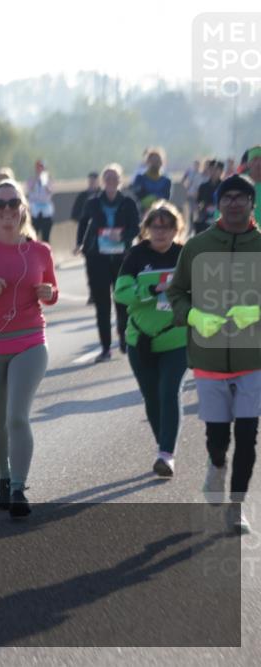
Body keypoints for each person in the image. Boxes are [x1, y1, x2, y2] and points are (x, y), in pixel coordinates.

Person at [167, 174, 260, 534]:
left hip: (254, 359)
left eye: (242, 197)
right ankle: (216, 465)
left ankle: (236, 507)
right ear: (218, 203)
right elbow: (176, 293)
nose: (234, 202)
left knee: (249, 436)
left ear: (252, 203)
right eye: (228, 197)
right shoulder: (197, 246)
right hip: (208, 359)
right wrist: (192, 316)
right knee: (218, 438)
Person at [0, 179, 58, 517]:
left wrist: (49, 293)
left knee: (17, 416)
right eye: (0, 205)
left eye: (13, 204)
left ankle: (19, 487)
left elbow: (52, 290)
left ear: (23, 209)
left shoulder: (40, 251)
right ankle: (3, 476)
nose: (7, 211)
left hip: (30, 341)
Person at [113, 201, 188, 477]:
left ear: (176, 230)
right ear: (146, 229)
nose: (161, 232)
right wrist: (151, 289)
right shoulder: (136, 255)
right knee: (152, 397)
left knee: (169, 392)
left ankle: (166, 454)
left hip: (177, 339)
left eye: (167, 227)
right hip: (141, 340)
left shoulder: (185, 255)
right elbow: (121, 292)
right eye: (155, 226)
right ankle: (162, 445)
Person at [77, 163, 141, 362]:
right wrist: (80, 243)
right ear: (103, 181)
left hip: (122, 258)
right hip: (97, 258)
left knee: (122, 301)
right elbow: (83, 223)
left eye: (115, 178)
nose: (111, 182)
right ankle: (105, 348)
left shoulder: (128, 203)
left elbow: (136, 228)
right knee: (102, 305)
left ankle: (123, 336)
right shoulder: (93, 202)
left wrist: (122, 236)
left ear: (120, 181)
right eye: (108, 179)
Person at [72, 171, 101, 305]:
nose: (92, 183)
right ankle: (93, 294)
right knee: (91, 268)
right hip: (88, 238)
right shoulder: (83, 196)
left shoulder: (104, 195)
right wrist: (79, 243)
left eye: (94, 181)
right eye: (90, 181)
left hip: (103, 239)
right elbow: (75, 215)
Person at [130, 147, 172, 213]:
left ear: (162, 162)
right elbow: (137, 197)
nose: (155, 164)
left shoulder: (166, 181)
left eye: (157, 161)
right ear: (147, 162)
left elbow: (166, 199)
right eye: (153, 161)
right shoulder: (140, 179)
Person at [26, 159, 54, 243]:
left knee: (46, 236)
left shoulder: (48, 180)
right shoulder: (31, 179)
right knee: (33, 234)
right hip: (34, 210)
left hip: (46, 210)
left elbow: (50, 192)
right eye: (38, 167)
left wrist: (44, 182)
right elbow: (30, 190)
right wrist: (36, 179)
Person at [194, 159, 224, 234]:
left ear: (221, 171)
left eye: (216, 169)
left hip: (221, 220)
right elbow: (198, 202)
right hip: (205, 220)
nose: (213, 172)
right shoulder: (203, 187)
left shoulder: (225, 186)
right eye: (211, 169)